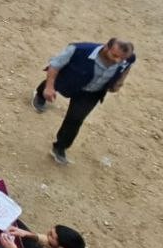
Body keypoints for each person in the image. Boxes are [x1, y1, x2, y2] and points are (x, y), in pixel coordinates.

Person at [32, 37, 136, 165]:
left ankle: (60, 147)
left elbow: (127, 66)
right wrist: (49, 87)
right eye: (115, 56)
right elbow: (55, 66)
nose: (118, 61)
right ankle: (40, 95)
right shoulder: (78, 50)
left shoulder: (128, 58)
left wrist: (119, 82)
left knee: (76, 119)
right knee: (52, 86)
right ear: (106, 47)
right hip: (69, 79)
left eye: (122, 59)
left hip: (92, 93)